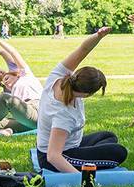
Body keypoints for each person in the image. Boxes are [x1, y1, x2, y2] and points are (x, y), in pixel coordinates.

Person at [35, 27, 126, 171]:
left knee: (108, 136)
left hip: (71, 145)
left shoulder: (59, 76)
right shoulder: (64, 114)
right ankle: (84, 159)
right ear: (87, 94)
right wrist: (81, 178)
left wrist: (98, 36)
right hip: (54, 158)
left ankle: (88, 155)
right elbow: (53, 156)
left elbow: (83, 50)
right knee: (119, 152)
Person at [0, 33, 45, 135]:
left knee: (4, 97)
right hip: (26, 120)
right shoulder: (12, 91)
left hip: (38, 112)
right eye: (4, 83)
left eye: (7, 78)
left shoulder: (26, 75)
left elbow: (13, 52)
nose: (6, 83)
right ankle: (5, 132)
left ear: (16, 74)